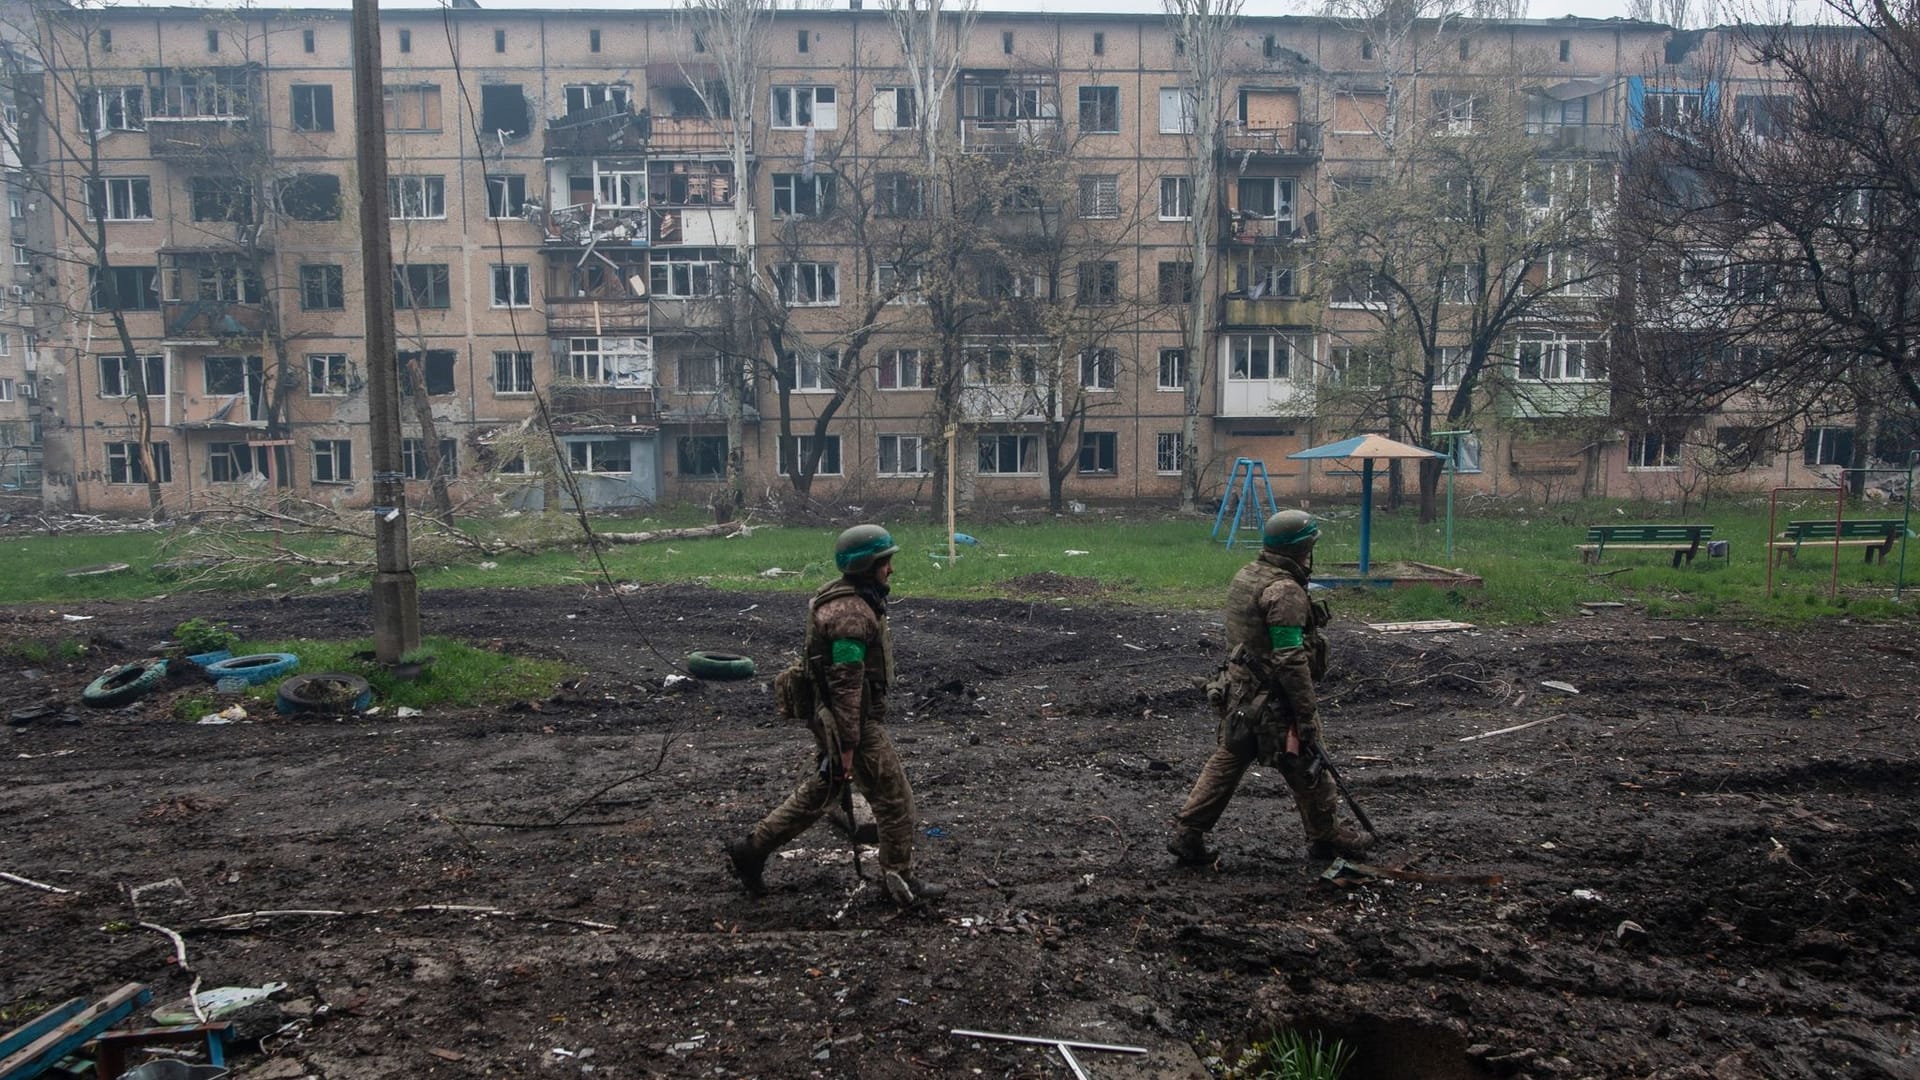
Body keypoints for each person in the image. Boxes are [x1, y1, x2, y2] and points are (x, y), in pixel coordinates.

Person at [727, 525, 947, 907]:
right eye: (884, 562)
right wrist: (847, 745)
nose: (890, 569)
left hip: (838, 717)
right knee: (895, 801)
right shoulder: (850, 615)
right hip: (854, 723)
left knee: (823, 789)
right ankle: (900, 877)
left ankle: (752, 849)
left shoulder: (847, 598)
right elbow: (847, 686)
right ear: (866, 565)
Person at [1168, 509, 1375, 866]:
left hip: (1240, 694)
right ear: (1302, 549)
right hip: (1272, 702)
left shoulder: (1249, 575)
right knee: (1309, 763)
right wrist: (1306, 713)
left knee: (1228, 761)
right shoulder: (1285, 592)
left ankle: (1188, 834)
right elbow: (1290, 658)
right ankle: (1326, 836)